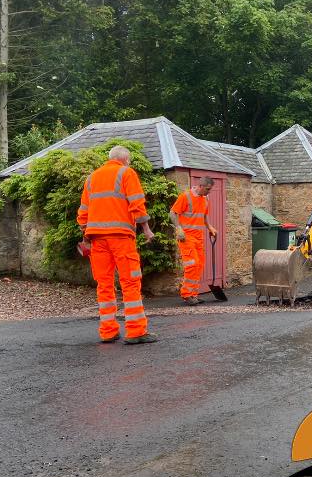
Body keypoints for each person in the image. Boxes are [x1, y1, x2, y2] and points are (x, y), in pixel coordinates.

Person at [77, 145, 157, 345]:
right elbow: (137, 203)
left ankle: (108, 331)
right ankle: (136, 331)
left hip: (96, 240)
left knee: (104, 285)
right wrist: (146, 229)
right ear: (126, 159)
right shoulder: (126, 173)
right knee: (130, 282)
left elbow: (83, 212)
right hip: (120, 238)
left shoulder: (92, 178)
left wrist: (85, 236)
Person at [169, 178, 218, 306]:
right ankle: (186, 294)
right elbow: (173, 213)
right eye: (208, 189)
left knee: (199, 265)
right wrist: (179, 228)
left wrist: (210, 227)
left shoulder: (205, 199)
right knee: (192, 264)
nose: (209, 192)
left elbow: (204, 216)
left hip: (198, 238)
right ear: (200, 186)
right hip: (186, 237)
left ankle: (193, 295)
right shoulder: (185, 196)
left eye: (210, 189)